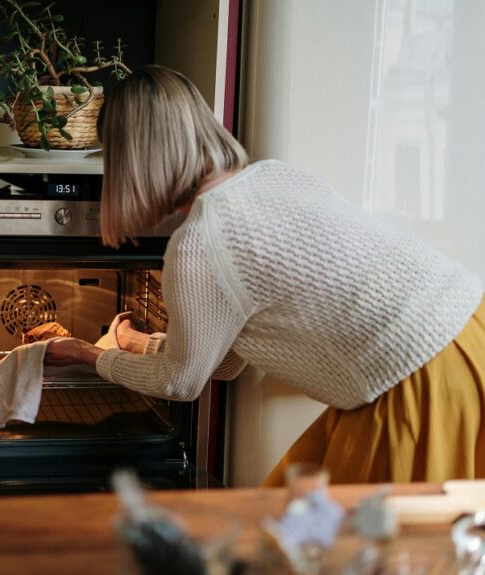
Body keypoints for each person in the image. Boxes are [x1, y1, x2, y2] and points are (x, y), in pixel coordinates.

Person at [44, 65, 485, 485]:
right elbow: (232, 358)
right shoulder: (276, 176)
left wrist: (89, 354)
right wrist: (140, 344)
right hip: (469, 329)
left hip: (415, 378)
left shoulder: (199, 242)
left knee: (371, 550)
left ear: (132, 160)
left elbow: (180, 383)